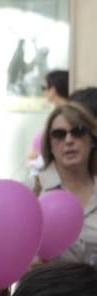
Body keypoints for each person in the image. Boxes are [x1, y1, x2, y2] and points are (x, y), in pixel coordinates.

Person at [34, 101, 97, 264]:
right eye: (59, 134)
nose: (69, 140)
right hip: (49, 287)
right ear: (50, 145)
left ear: (92, 140)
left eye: (78, 131)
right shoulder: (32, 190)